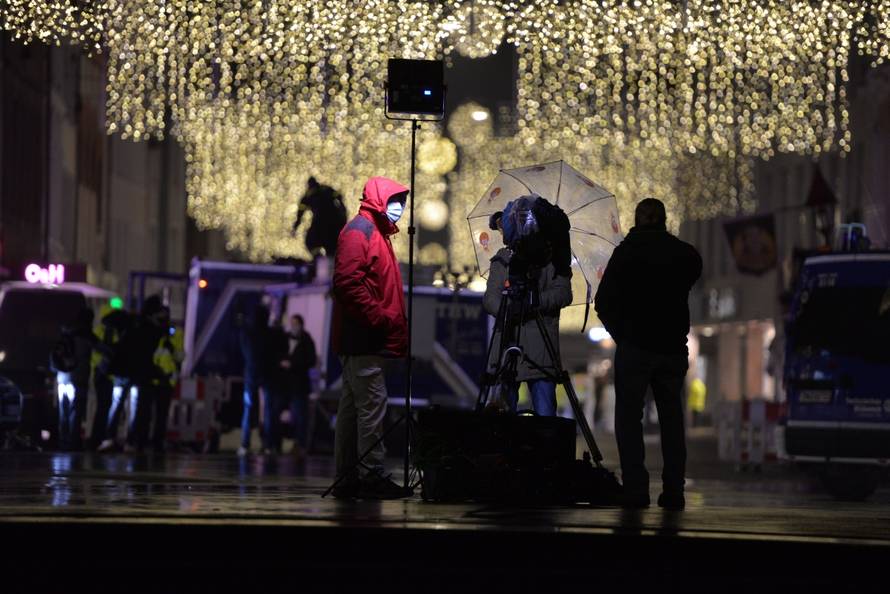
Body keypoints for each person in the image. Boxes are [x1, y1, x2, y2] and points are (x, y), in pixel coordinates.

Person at [594, 198, 702, 510]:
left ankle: (637, 488)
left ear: (637, 220)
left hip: (636, 349)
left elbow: (603, 303)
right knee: (672, 419)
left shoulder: (626, 253)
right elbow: (694, 266)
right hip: (670, 349)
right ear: (664, 220)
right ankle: (673, 490)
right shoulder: (682, 254)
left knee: (629, 418)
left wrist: (623, 335)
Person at [331, 176, 409, 500]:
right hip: (365, 338)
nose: (399, 209)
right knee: (371, 408)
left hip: (361, 338)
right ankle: (371, 475)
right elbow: (347, 282)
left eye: (402, 204)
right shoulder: (362, 232)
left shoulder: (372, 232)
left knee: (353, 409)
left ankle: (349, 476)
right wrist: (379, 317)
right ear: (378, 199)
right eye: (395, 202)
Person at [482, 201, 573, 416]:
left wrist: (534, 301)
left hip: (541, 350)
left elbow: (563, 294)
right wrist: (509, 309)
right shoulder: (503, 260)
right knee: (502, 418)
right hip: (507, 347)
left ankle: (546, 450)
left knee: (545, 419)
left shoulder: (554, 259)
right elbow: (490, 299)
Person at [50, 307, 96, 451]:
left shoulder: (65, 332)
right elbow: (101, 350)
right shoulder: (86, 335)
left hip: (62, 377)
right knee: (75, 411)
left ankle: (62, 441)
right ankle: (73, 442)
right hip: (77, 378)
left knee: (63, 411)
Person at [238, 304, 281, 456]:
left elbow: (245, 352)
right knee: (268, 411)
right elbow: (276, 352)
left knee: (248, 410)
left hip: (251, 375)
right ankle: (268, 445)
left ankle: (245, 444)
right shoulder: (271, 334)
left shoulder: (246, 333)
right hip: (268, 375)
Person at [281, 314, 317, 457]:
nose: (294, 326)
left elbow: (311, 360)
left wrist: (293, 364)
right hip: (285, 384)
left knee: (300, 416)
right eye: (292, 323)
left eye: (296, 323)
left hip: (299, 385)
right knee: (288, 416)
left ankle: (300, 445)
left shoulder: (307, 340)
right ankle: (285, 443)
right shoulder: (285, 338)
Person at [149, 307, 181, 453]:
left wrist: (172, 349)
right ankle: (149, 440)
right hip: (155, 380)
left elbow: (181, 357)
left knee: (162, 415)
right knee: (151, 413)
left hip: (166, 382)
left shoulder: (175, 336)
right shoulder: (154, 335)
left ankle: (158, 441)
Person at [291, 176, 348, 257]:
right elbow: (340, 197)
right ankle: (332, 259)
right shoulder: (327, 189)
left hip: (321, 223)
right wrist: (343, 215)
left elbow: (300, 214)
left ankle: (319, 257)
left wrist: (295, 227)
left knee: (310, 242)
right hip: (335, 222)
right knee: (332, 245)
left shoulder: (308, 195)